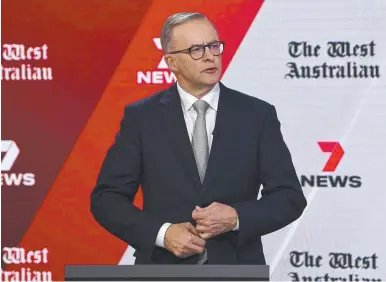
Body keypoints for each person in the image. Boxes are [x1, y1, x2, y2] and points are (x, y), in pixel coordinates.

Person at [90, 12, 307, 265]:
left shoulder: (257, 115)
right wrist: (162, 233)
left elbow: (289, 197)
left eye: (214, 46)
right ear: (172, 62)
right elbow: (107, 199)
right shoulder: (142, 118)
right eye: (196, 49)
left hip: (236, 269)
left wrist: (237, 217)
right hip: (164, 268)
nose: (209, 56)